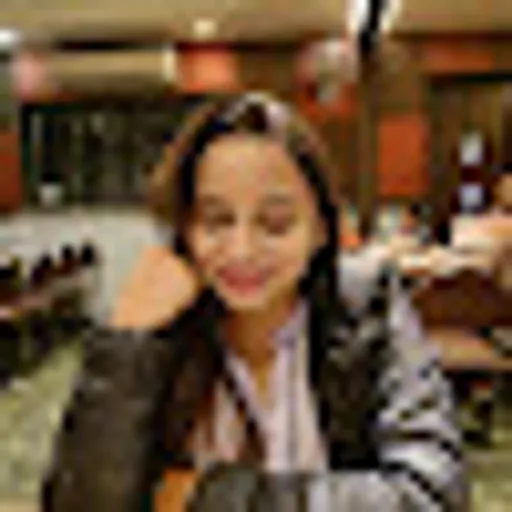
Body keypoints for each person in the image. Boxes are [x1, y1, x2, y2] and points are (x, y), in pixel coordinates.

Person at [42, 94, 468, 511]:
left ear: (321, 230)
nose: (241, 250)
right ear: (186, 227)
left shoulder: (366, 305)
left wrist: (209, 497)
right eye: (216, 220)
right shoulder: (165, 323)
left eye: (275, 224)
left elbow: (433, 496)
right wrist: (125, 344)